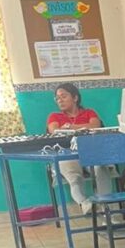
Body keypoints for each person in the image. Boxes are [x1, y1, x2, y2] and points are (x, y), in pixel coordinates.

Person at [46, 82, 112, 213]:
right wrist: (83, 127)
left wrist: (69, 127)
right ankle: (85, 203)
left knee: (100, 168)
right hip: (66, 154)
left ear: (75, 98)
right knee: (74, 178)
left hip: (90, 151)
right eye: (57, 98)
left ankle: (105, 206)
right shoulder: (54, 116)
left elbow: (95, 126)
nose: (60, 100)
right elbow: (55, 131)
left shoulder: (89, 112)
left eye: (64, 96)